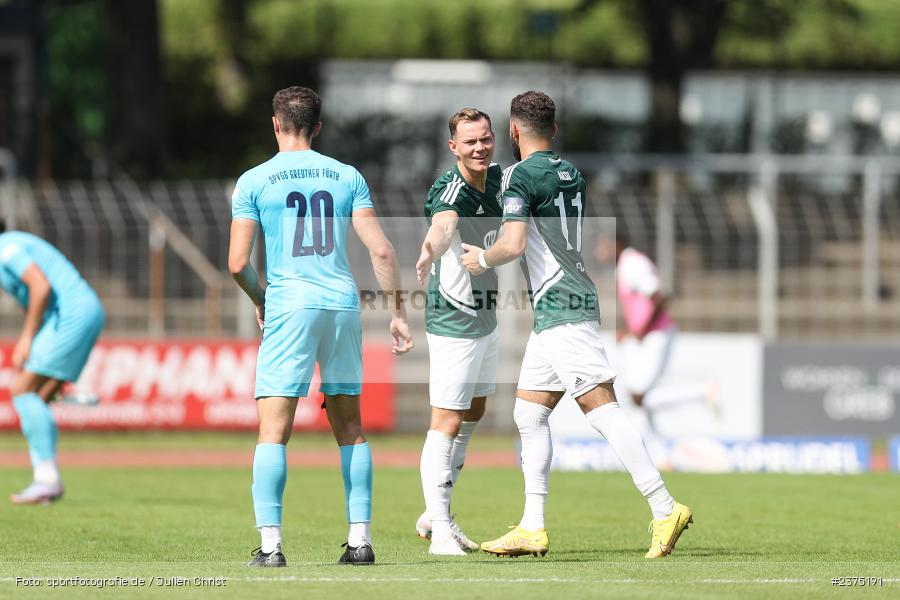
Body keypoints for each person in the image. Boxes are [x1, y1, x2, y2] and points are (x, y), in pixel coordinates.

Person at [460, 91, 692, 559]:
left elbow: (514, 243)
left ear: (513, 130)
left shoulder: (521, 176)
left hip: (562, 305)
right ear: (555, 130)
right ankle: (532, 526)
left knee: (602, 409)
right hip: (558, 309)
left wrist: (480, 259)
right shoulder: (571, 172)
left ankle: (664, 506)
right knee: (529, 413)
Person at [228, 86, 413, 567]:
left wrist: (261, 298)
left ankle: (270, 548)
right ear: (318, 126)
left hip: (290, 304)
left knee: (273, 432)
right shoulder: (346, 175)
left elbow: (236, 264)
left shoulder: (253, 180)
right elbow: (383, 251)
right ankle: (360, 541)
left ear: (275, 124)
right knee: (350, 427)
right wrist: (397, 311)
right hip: (340, 304)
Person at [414, 108, 502, 555]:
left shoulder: (501, 179)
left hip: (486, 316)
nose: (480, 147)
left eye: (485, 138)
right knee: (446, 420)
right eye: (469, 142)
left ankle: (434, 513)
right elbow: (442, 223)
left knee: (474, 412)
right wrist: (430, 250)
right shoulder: (450, 188)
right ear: (454, 147)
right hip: (454, 320)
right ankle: (442, 532)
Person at [0, 222, 105, 505]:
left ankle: (47, 480)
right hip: (84, 312)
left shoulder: (5, 247)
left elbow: (40, 286)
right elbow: (33, 296)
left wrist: (26, 337)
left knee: (22, 389)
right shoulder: (12, 244)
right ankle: (43, 482)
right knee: (38, 399)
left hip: (72, 314)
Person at [608, 232, 717, 432]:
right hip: (644, 336)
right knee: (638, 397)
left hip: (656, 333)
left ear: (616, 243)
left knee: (640, 395)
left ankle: (700, 392)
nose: (599, 250)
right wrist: (628, 330)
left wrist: (642, 329)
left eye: (603, 244)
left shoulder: (633, 264)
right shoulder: (623, 266)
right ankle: (657, 451)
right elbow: (636, 306)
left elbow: (659, 296)